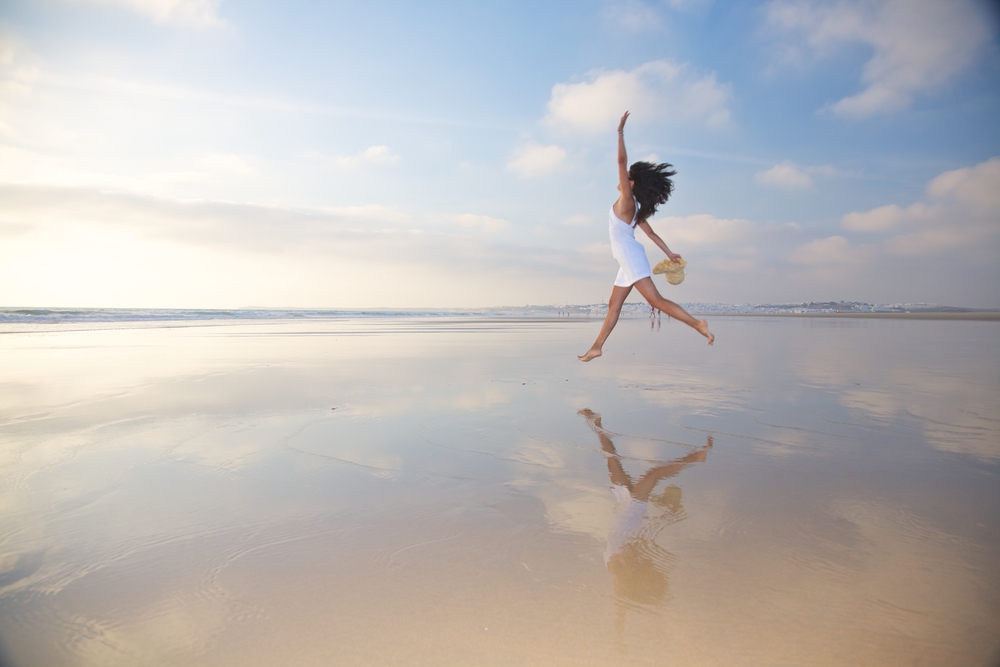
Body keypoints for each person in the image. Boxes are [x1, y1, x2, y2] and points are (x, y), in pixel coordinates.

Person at [578, 111, 713, 362]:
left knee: (656, 300)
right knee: (614, 305)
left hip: (629, 256)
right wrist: (669, 252)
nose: (621, 178)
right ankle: (596, 347)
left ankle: (697, 325)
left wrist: (619, 132)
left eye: (627, 177)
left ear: (631, 184)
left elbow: (620, 162)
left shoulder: (628, 201)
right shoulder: (635, 207)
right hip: (627, 258)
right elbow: (650, 234)